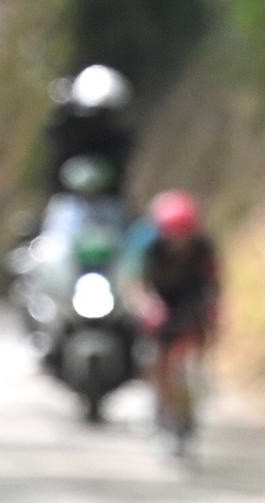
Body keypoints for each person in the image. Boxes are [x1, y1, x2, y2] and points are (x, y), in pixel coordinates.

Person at [122, 190, 222, 438]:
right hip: (159, 304)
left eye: (184, 232)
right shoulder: (148, 247)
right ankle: (160, 407)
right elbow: (136, 285)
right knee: (153, 356)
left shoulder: (203, 248)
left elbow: (213, 284)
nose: (178, 240)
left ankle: (193, 397)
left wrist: (213, 310)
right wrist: (147, 307)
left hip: (191, 301)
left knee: (197, 347)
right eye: (173, 233)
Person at [44, 64, 135, 199]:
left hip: (108, 201)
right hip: (68, 200)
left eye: (107, 113)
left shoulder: (117, 140)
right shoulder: (65, 129)